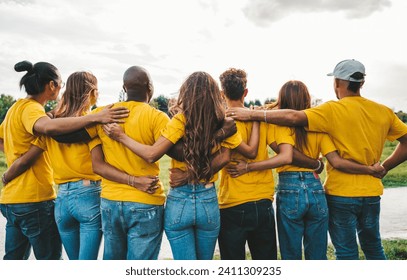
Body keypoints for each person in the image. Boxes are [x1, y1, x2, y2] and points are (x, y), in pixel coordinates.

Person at [226, 59, 407, 260]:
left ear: (338, 82)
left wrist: (253, 114)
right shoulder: (382, 112)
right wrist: (383, 167)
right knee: (373, 247)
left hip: (339, 192)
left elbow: (293, 119)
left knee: (343, 252)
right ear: (361, 83)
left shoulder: (330, 111)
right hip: (367, 192)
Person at [102, 71, 259, 260]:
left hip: (179, 199)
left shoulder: (180, 120)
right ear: (215, 94)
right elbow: (224, 159)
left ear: (186, 94)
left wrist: (121, 136)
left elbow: (152, 154)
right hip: (207, 199)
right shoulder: (224, 123)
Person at [0, 61, 129, 260]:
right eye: (59, 84)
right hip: (53, 196)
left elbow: (22, 146)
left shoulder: (22, 111)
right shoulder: (38, 114)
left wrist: (11, 164)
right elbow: (50, 131)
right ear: (51, 85)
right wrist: (96, 117)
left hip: (41, 200)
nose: (61, 89)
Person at [217, 68, 290, 260]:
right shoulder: (260, 119)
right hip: (263, 201)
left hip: (232, 202)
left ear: (222, 94)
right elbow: (282, 153)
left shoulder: (223, 122)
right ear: (246, 92)